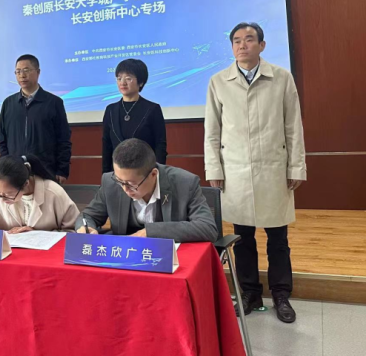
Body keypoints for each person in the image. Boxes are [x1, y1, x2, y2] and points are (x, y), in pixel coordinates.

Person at [204, 22, 306, 323]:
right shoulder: (219, 81)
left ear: (262, 45)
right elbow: (212, 131)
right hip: (235, 171)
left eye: (249, 39)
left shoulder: (281, 78)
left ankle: (281, 294)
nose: (242, 45)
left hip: (273, 169)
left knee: (278, 239)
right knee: (243, 239)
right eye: (236, 40)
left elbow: (293, 126)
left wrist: (296, 166)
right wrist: (214, 168)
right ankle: (249, 293)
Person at [76, 139, 217, 243]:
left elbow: (207, 227)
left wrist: (149, 232)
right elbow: (88, 215)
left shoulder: (185, 183)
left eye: (131, 184)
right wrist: (85, 228)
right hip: (126, 256)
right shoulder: (110, 182)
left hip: (171, 257)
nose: (125, 189)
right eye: (120, 181)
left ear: (153, 174)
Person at [0, 54, 72, 184]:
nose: (22, 75)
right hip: (15, 171)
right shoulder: (8, 104)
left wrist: (62, 169)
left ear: (38, 72)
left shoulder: (54, 103)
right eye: (18, 71)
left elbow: (63, 139)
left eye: (26, 70)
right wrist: (6, 165)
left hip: (46, 170)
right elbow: (2, 139)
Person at [0, 155, 79, 232]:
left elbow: (74, 230)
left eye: (8, 194)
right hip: (3, 252)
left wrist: (37, 235)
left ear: (25, 184)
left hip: (44, 255)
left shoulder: (54, 193)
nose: (1, 198)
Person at [102, 58, 167, 173]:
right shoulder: (111, 110)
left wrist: (156, 173)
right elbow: (106, 146)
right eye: (119, 78)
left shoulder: (152, 109)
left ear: (141, 82)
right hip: (117, 174)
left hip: (144, 173)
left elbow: (160, 145)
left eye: (128, 78)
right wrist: (106, 175)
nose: (122, 82)